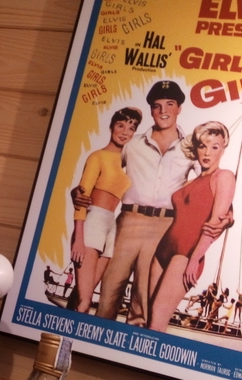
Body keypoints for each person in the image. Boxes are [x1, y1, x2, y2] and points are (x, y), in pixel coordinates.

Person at [71, 80, 232, 326]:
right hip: (128, 222)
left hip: (165, 227)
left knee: (142, 299)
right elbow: (106, 169)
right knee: (109, 290)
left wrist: (228, 215)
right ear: (151, 110)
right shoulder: (132, 143)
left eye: (170, 104)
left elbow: (211, 183)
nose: (163, 111)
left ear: (179, 108)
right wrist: (79, 190)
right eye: (157, 106)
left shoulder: (192, 147)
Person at [147, 121, 236, 333]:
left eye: (214, 147)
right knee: (150, 318)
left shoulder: (223, 177)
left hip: (186, 255)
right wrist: (229, 218)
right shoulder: (190, 181)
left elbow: (215, 221)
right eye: (202, 146)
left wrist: (195, 259)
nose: (207, 152)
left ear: (223, 149)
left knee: (156, 322)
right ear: (196, 148)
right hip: (162, 251)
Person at [70, 107, 142, 313]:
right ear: (111, 127)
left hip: (112, 226)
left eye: (131, 128)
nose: (125, 132)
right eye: (121, 125)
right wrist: (79, 239)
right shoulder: (98, 157)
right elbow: (82, 199)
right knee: (84, 301)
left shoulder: (129, 163)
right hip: (92, 224)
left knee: (82, 296)